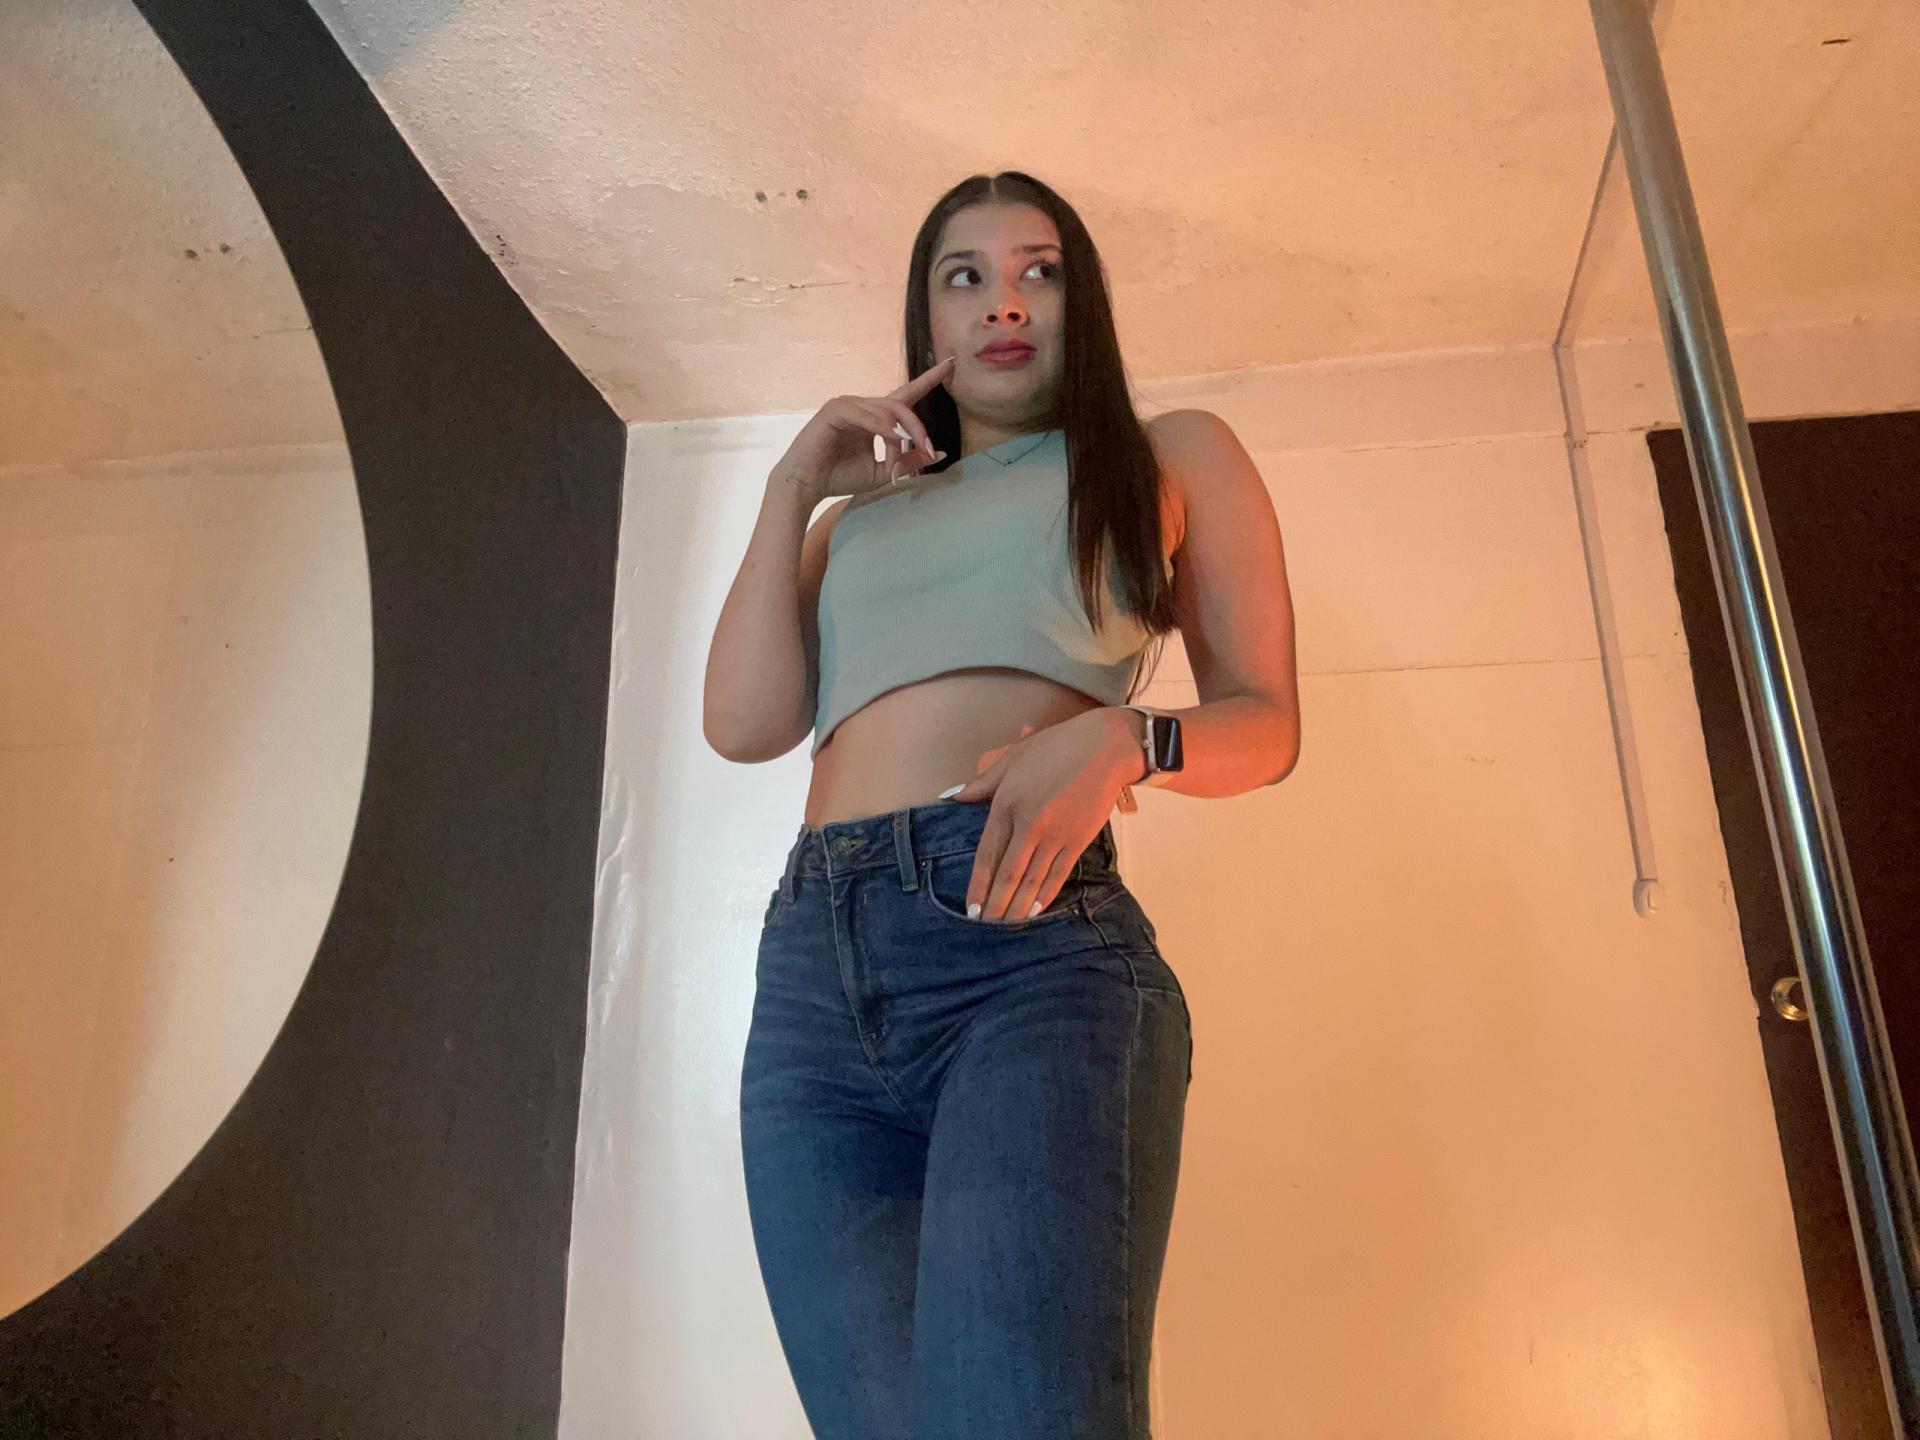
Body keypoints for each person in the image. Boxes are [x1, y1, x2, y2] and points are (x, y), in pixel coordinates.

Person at [704, 170, 1300, 1439]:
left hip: (1024, 949)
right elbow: (744, 725)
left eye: (1041, 271)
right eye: (964, 277)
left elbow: (1266, 723)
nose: (1005, 303)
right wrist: (791, 489)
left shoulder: (1169, 455)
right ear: (928, 319)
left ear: (1086, 302)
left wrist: (1130, 738)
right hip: (811, 976)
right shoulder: (857, 521)